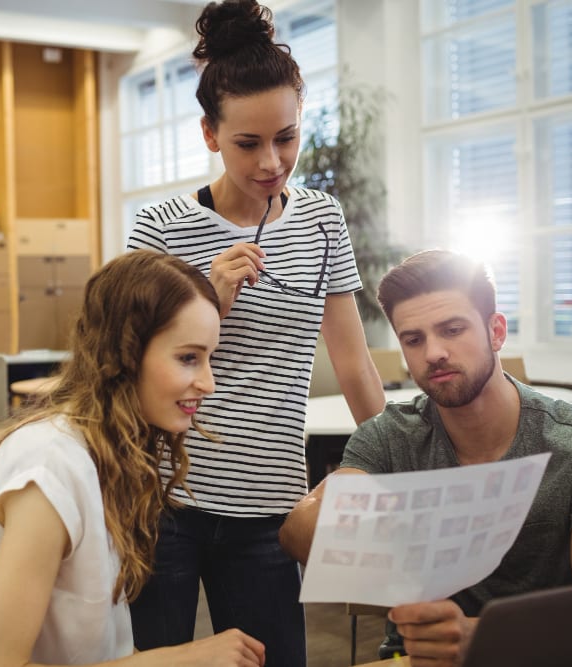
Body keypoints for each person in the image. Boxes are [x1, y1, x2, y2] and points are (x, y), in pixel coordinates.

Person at [125, 1, 385, 663]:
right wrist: (207, 298)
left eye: (287, 137)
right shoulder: (160, 228)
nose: (273, 161)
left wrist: (398, 469)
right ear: (210, 134)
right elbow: (125, 363)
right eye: (248, 142)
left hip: (272, 502)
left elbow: (353, 364)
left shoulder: (323, 220)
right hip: (165, 499)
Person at [279, 249, 572, 666]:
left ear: (496, 331)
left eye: (452, 329)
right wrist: (377, 530)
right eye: (413, 339)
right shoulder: (390, 436)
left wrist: (481, 637)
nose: (433, 353)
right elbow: (297, 530)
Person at [0, 250, 266, 667]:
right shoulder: (48, 469)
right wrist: (182, 660)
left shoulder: (107, 455)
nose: (209, 383)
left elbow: (100, 649)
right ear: (126, 354)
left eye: (209, 358)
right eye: (188, 358)